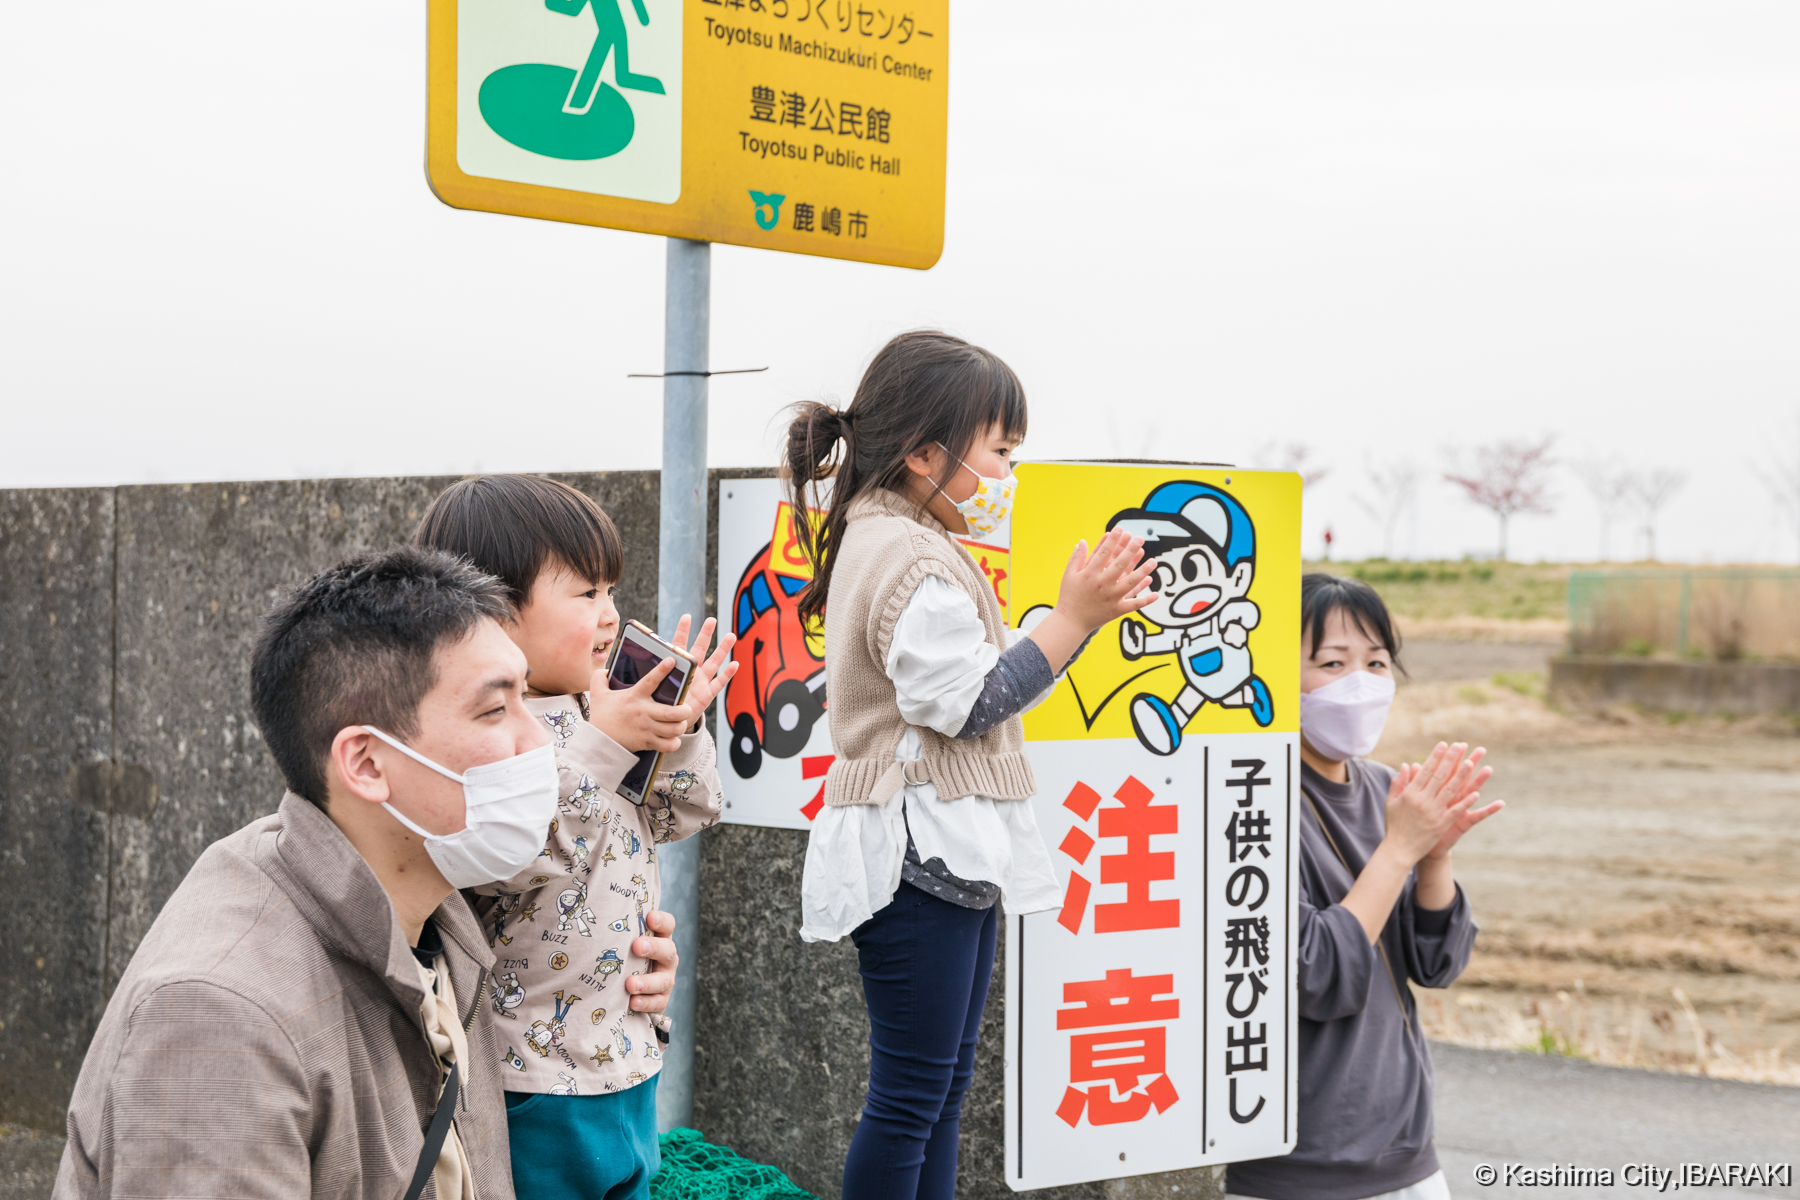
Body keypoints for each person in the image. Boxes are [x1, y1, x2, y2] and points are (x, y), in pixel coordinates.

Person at [54, 545, 679, 1199]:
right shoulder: (217, 1015)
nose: (538, 744)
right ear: (367, 764)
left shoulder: (435, 902)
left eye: (530, 697)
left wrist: (617, 972)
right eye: (496, 710)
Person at [784, 330, 1156, 1200]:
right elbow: (968, 702)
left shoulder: (892, 536)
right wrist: (1074, 619)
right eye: (1001, 451)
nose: (1008, 475)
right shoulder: (912, 557)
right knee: (916, 1096)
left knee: (936, 1093)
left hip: (935, 844)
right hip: (923, 847)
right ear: (924, 454)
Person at [414, 473, 733, 1200]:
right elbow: (516, 858)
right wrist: (601, 745)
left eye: (612, 591)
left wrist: (675, 733)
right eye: (586, 594)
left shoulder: (604, 706)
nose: (611, 614)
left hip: (624, 1053)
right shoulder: (492, 731)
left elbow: (684, 812)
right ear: (492, 613)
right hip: (532, 1070)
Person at [1225, 574, 1504, 1200]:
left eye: (1377, 662)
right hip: (1296, 1166)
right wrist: (1400, 847)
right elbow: (1314, 974)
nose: (1361, 682)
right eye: (1332, 662)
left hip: (1406, 1152)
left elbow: (1436, 964)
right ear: (1270, 667)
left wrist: (1434, 857)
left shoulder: (1385, 789)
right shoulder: (1248, 800)